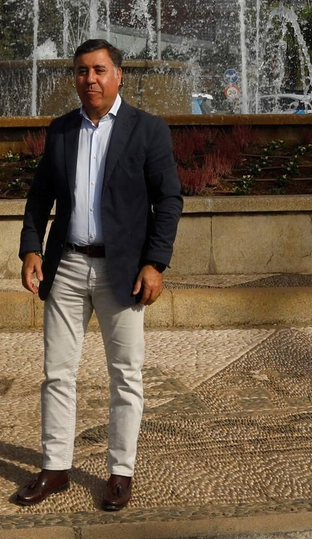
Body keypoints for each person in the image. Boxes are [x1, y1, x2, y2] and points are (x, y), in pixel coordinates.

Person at [14, 38, 182, 512]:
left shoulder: (147, 130)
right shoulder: (62, 130)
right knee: (57, 372)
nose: (91, 79)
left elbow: (168, 201)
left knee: (126, 374)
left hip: (123, 269)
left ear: (119, 75)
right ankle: (55, 467)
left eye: (100, 70)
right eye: (83, 71)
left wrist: (155, 262)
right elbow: (38, 198)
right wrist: (31, 249)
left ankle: (120, 472)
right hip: (66, 264)